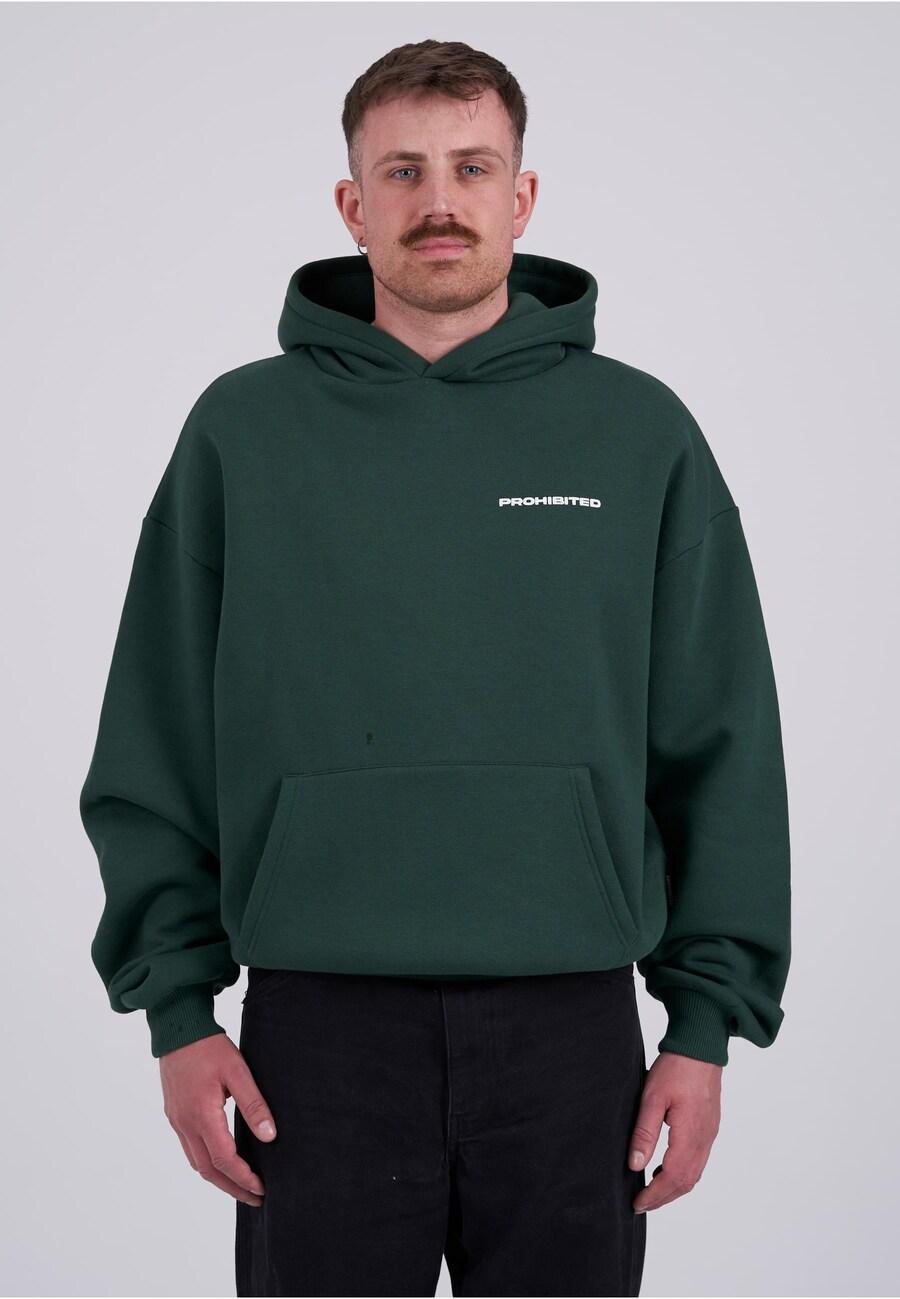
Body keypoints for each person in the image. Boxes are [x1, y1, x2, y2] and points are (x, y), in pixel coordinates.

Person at [79, 39, 792, 1299]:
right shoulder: (242, 431)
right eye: (402, 171)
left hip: (572, 1026)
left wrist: (703, 1025)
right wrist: (178, 1014)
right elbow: (157, 733)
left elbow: (720, 740)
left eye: (473, 167)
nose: (440, 200)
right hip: (317, 1035)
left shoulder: (638, 433)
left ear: (524, 195)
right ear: (353, 204)